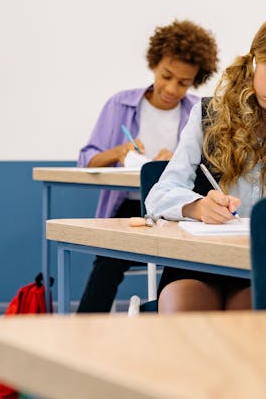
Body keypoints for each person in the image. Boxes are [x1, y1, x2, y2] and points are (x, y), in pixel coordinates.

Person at [145, 9, 266, 312]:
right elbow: (159, 194)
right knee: (185, 311)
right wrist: (197, 207)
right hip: (201, 260)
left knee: (248, 314)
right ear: (254, 59)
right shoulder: (209, 113)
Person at [76, 20, 219, 313]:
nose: (171, 88)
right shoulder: (121, 105)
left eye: (183, 82)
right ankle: (85, 330)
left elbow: (203, 171)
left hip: (178, 211)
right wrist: (119, 151)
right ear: (154, 64)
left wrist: (175, 161)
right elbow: (86, 159)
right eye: (166, 76)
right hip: (127, 209)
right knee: (108, 260)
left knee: (190, 266)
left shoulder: (199, 112)